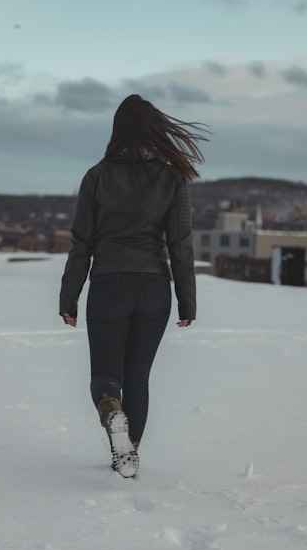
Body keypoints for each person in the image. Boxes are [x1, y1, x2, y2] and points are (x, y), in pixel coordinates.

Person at [59, 94, 208, 479]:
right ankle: (128, 456)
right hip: (154, 288)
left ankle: (111, 410)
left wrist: (69, 295)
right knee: (138, 377)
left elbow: (81, 243)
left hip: (108, 285)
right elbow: (181, 243)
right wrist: (187, 301)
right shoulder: (172, 177)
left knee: (106, 378)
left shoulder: (97, 176)